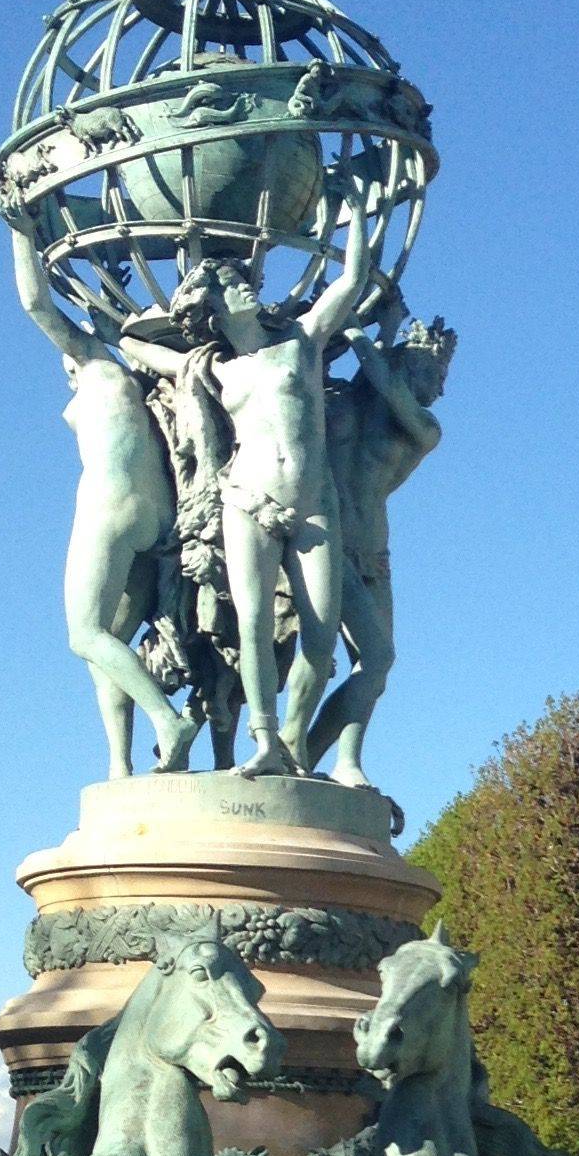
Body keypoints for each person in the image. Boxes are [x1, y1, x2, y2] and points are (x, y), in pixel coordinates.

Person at [118, 190, 374, 776]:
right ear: (214, 305)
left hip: (313, 508)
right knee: (254, 626)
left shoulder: (301, 344)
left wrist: (355, 215)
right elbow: (142, 350)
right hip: (246, 500)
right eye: (234, 285)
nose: (248, 287)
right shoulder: (215, 368)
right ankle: (264, 739)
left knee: (318, 641)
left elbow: (352, 280)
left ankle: (292, 738)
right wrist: (124, 335)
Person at [10, 229, 195, 777]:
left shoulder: (98, 369)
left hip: (109, 508)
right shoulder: (130, 388)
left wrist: (19, 229)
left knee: (83, 634)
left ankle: (168, 720)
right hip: (155, 513)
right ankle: (120, 768)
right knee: (108, 644)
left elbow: (34, 302)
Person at [310, 307, 455, 788]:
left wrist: (352, 325)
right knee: (313, 654)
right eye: (435, 373)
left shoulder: (424, 427)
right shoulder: (345, 400)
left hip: (371, 551)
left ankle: (336, 758)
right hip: (315, 538)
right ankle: (291, 748)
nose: (440, 389)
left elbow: (386, 384)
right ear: (408, 364)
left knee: (377, 660)